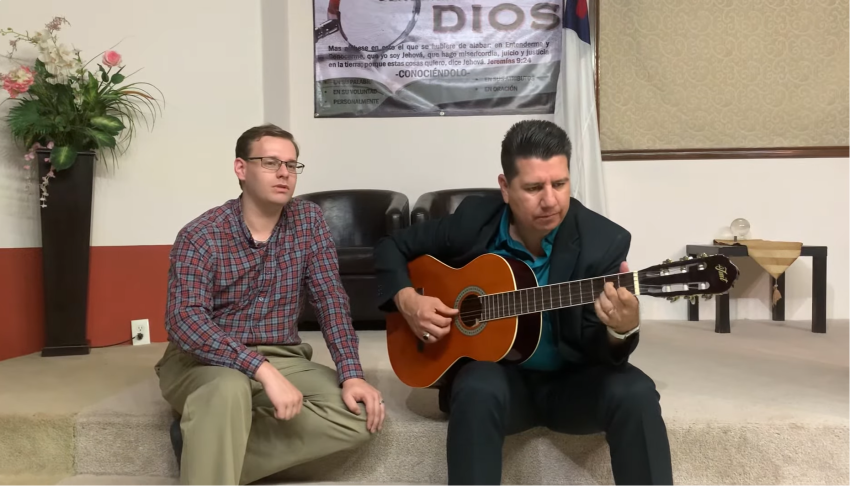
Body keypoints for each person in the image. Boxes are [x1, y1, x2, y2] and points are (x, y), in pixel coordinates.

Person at [373, 120, 673, 486]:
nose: (550, 199)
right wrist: (407, 299)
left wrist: (621, 328)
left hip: (573, 384)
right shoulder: (473, 219)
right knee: (477, 386)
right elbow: (391, 246)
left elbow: (602, 351)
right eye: (533, 187)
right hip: (500, 384)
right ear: (505, 187)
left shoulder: (603, 241)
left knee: (636, 391)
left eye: (559, 184)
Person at [155, 124, 384, 486]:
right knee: (229, 389)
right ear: (241, 169)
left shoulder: (308, 221)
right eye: (270, 162)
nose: (283, 173)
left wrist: (352, 372)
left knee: (358, 414)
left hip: (283, 355)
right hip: (203, 360)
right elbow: (185, 321)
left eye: (292, 165)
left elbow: (330, 298)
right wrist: (260, 369)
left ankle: (202, 446)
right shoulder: (201, 234)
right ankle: (215, 434)